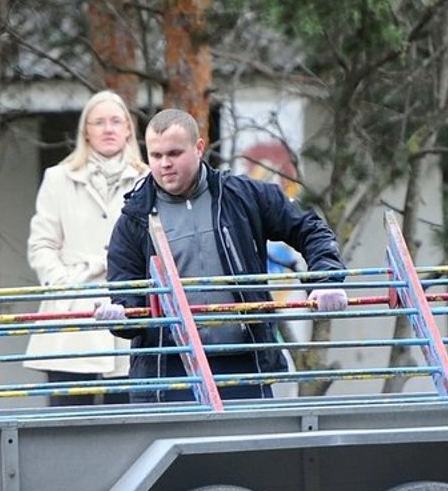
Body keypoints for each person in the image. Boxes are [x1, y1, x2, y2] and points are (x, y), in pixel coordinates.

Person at [96, 109, 347, 401]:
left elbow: (309, 228)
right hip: (169, 373)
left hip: (244, 363)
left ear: (199, 148)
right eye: (156, 155)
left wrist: (326, 278)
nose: (164, 164)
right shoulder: (134, 219)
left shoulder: (241, 196)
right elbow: (128, 298)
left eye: (175, 153)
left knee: (246, 449)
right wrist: (121, 315)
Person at [25, 90, 147, 406]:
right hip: (72, 312)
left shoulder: (148, 180)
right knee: (67, 422)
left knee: (125, 420)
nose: (108, 129)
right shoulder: (58, 178)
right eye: (99, 122)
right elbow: (41, 244)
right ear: (86, 132)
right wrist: (64, 286)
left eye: (116, 121)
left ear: (128, 130)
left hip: (128, 307)